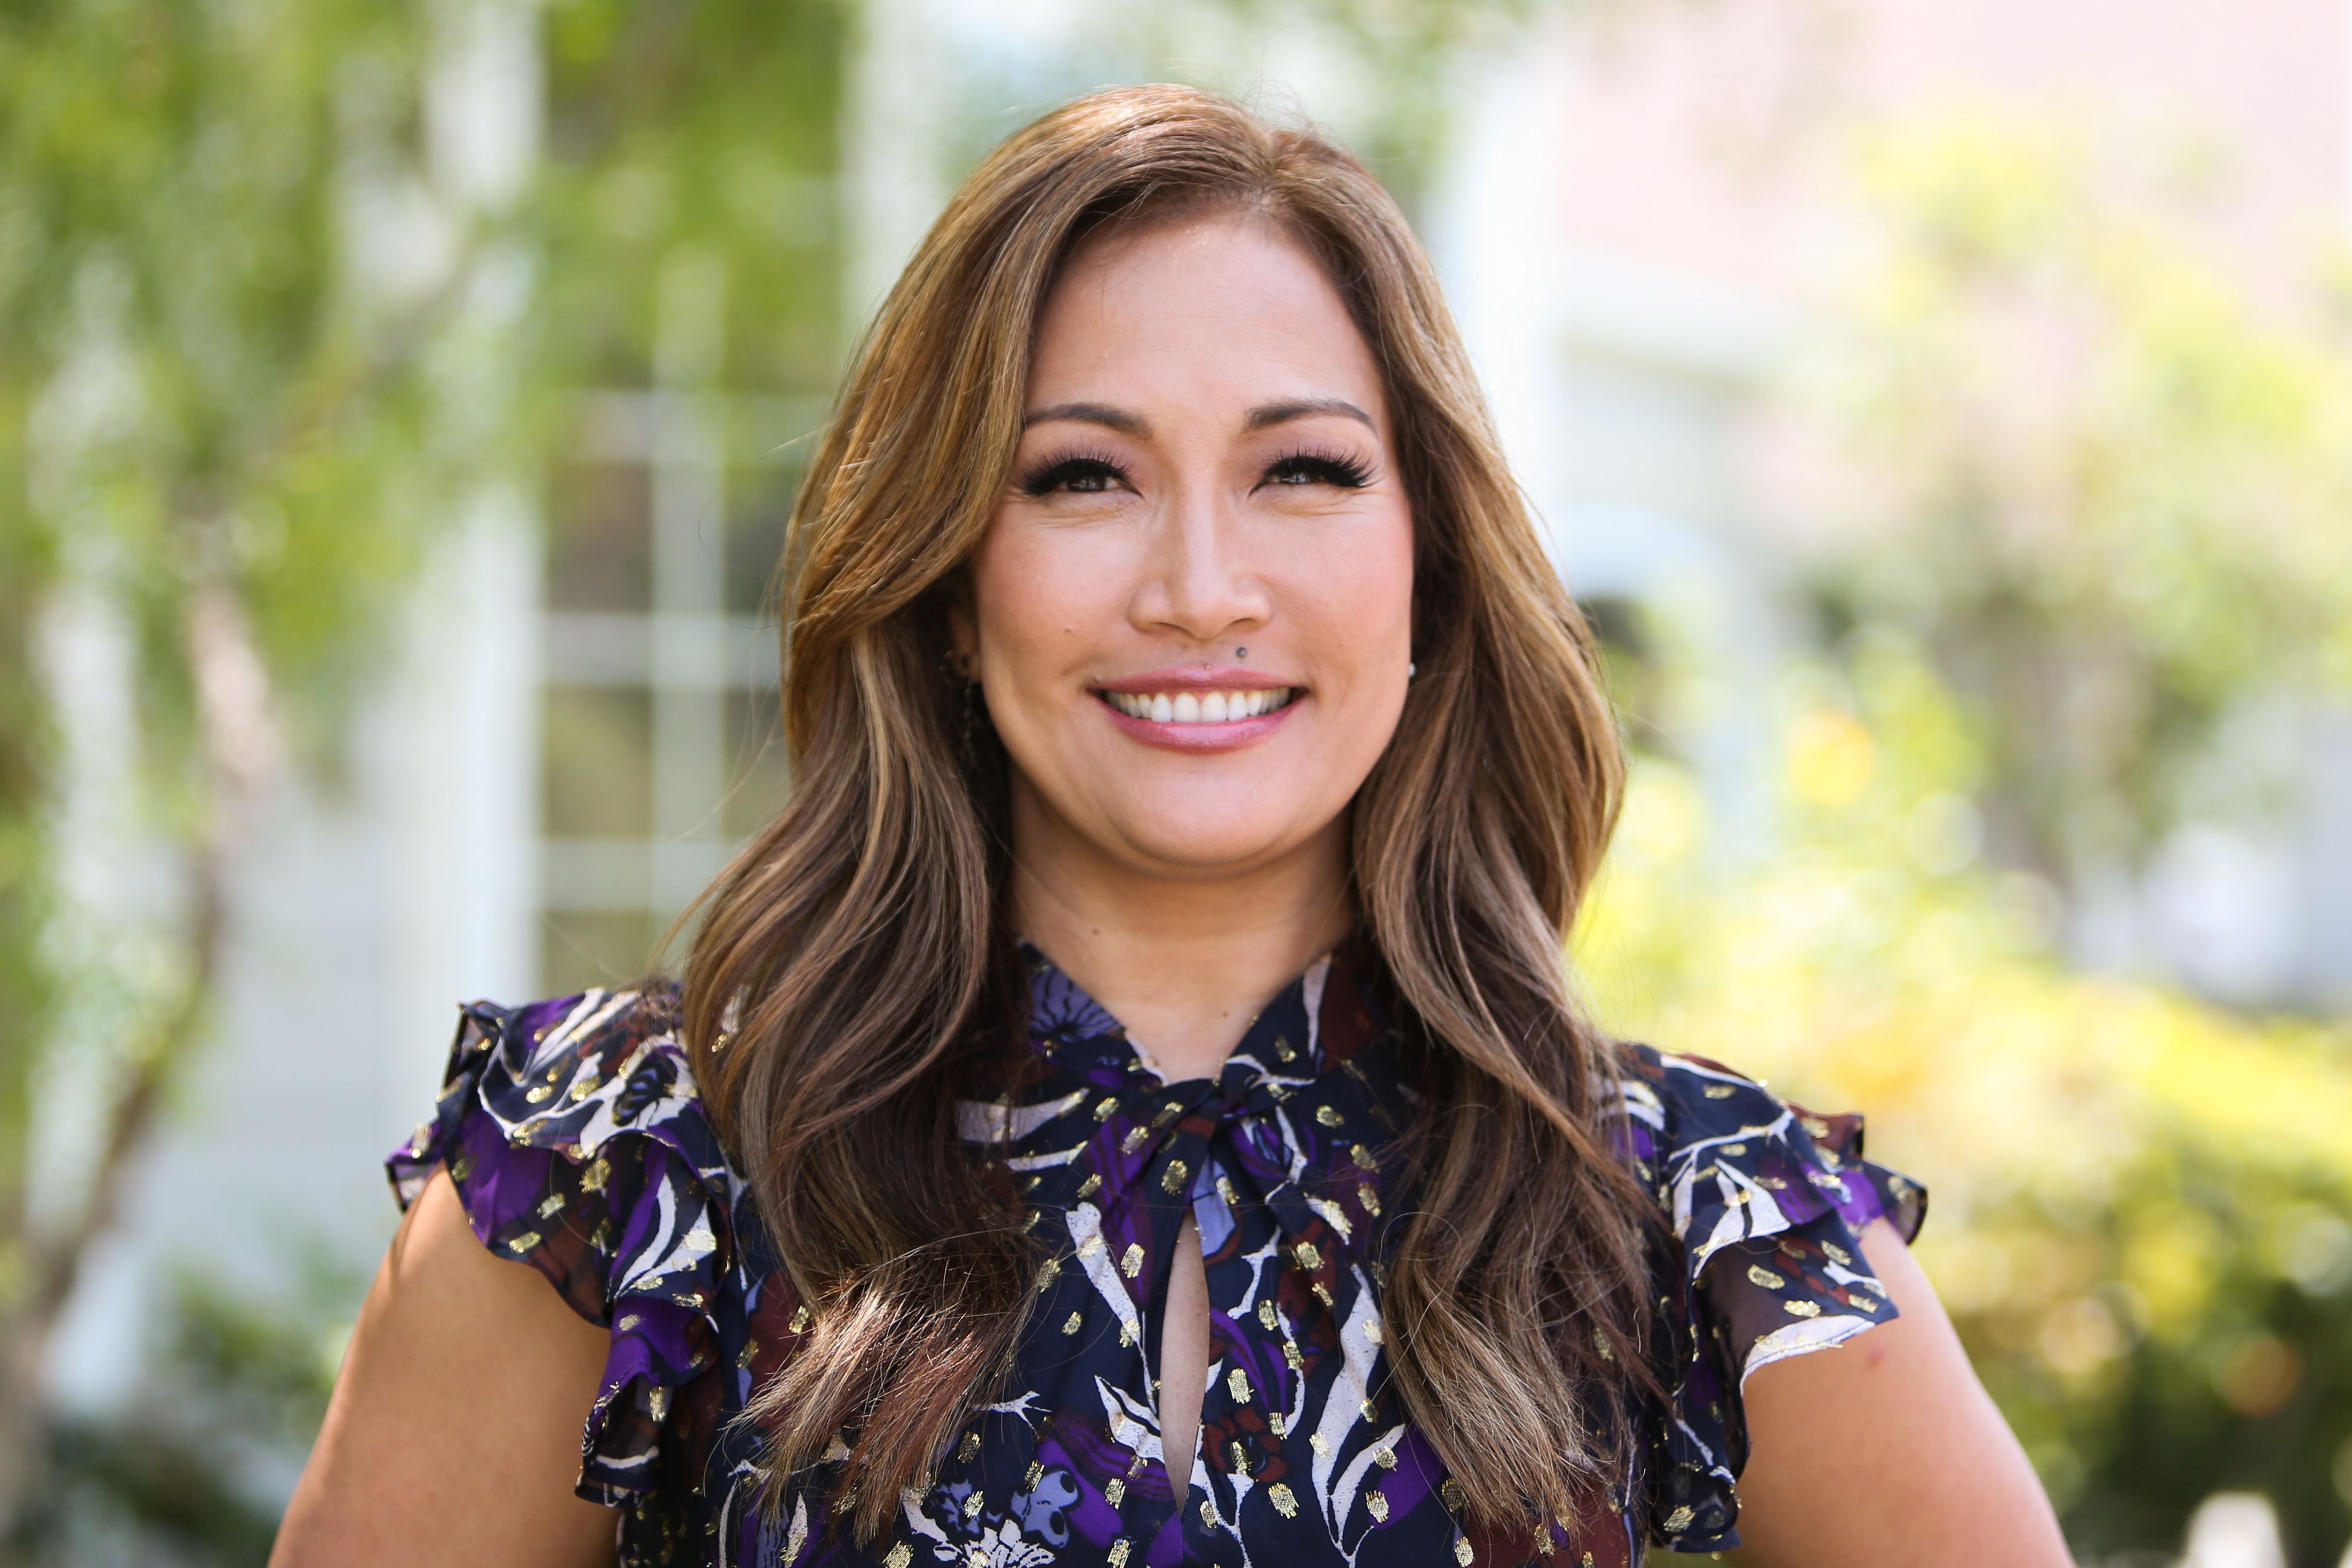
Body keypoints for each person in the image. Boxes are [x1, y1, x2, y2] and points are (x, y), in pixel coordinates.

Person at [273, 85, 2069, 1568]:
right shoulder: (621, 1173)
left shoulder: (1698, 1216)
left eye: (1301, 469)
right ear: (953, 586)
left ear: (1427, 560)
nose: (1203, 588)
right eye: (1083, 475)